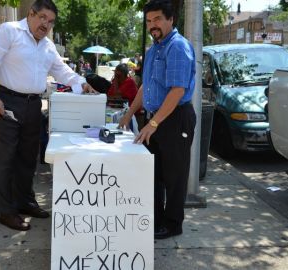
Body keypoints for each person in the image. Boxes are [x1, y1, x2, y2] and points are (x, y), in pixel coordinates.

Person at [0, 0, 97, 231]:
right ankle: (6, 210)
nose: (46, 25)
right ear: (31, 14)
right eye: (43, 18)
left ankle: (25, 201)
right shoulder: (9, 31)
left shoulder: (47, 46)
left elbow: (61, 70)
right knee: (3, 159)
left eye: (51, 21)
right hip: (5, 100)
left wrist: (81, 82)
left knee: (27, 158)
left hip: (33, 105)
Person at [118, 0, 196, 240]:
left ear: (171, 19)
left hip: (174, 119)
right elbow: (146, 87)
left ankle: (173, 225)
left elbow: (177, 91)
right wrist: (129, 114)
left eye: (157, 20)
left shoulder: (178, 47)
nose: (153, 25)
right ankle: (155, 220)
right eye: (149, 21)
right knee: (153, 174)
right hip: (155, 120)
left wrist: (153, 124)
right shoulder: (153, 50)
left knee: (174, 176)